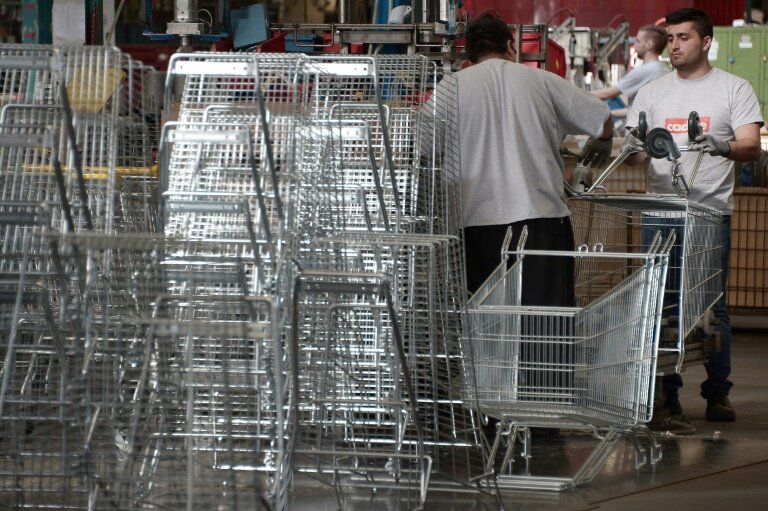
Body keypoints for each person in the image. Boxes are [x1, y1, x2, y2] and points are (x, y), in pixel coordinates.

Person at [625, 7, 763, 423]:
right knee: (660, 305)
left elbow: (751, 145)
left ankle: (717, 393)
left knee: (711, 306)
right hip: (660, 212)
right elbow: (631, 155)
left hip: (708, 214)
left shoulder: (733, 88)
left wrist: (722, 146)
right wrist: (636, 149)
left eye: (684, 38)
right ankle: (667, 395)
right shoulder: (652, 91)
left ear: (706, 42)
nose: (675, 45)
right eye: (671, 39)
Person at [448, 13, 613, 301]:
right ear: (511, 45)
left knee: (485, 330)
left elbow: (419, 147)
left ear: (469, 53)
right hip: (540, 221)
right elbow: (603, 119)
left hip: (474, 222)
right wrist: (604, 141)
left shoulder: (449, 89)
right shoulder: (541, 80)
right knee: (544, 328)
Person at [591, 24, 669, 119]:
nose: (634, 45)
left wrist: (577, 95)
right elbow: (641, 111)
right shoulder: (662, 69)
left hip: (641, 132)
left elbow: (607, 94)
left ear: (649, 45)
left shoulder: (646, 70)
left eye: (638, 41)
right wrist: (611, 113)